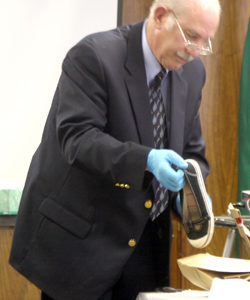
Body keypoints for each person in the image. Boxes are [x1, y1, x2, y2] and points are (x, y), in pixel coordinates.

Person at [9, 0, 221, 299]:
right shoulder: (94, 56)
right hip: (83, 244)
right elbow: (77, 138)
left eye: (205, 41)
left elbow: (192, 151)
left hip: (145, 248)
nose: (196, 51)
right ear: (160, 16)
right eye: (191, 36)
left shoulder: (193, 71)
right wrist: (146, 160)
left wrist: (188, 195)